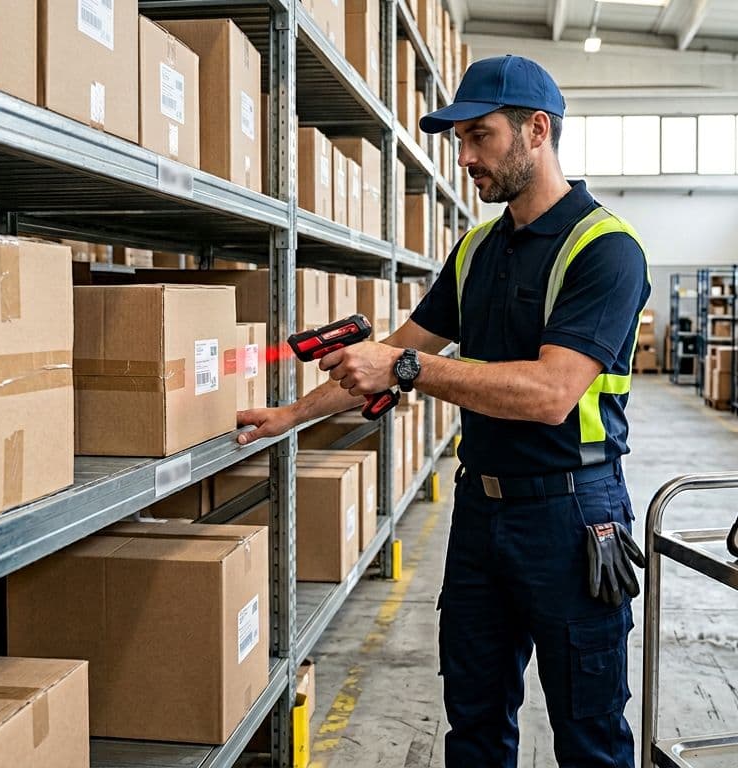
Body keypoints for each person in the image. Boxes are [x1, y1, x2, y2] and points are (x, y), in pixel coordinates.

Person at [237, 54, 650, 768]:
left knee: (589, 732)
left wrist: (407, 368)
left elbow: (552, 394)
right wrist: (288, 416)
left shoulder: (606, 251)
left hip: (573, 513)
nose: (464, 158)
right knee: (475, 720)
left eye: (480, 137)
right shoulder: (477, 250)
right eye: (458, 141)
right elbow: (392, 353)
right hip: (482, 513)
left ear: (537, 132)